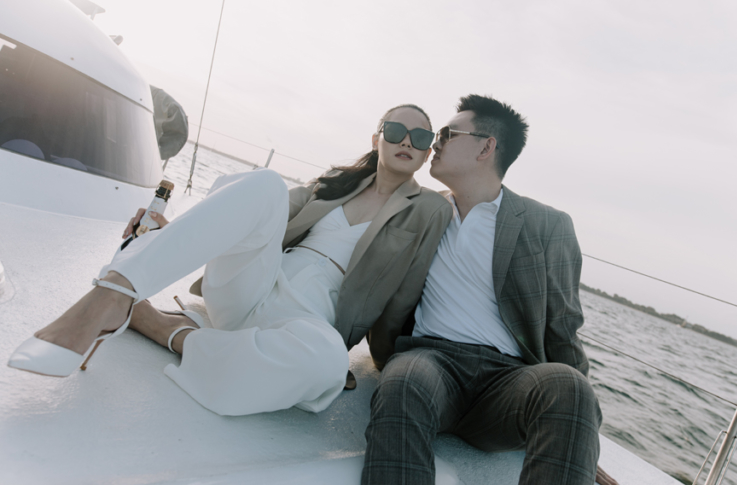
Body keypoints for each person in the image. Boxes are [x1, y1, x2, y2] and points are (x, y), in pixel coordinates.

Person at [8, 104, 453, 416]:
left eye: (420, 137)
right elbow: (250, 213)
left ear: (427, 150)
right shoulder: (336, 181)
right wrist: (168, 230)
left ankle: (163, 328)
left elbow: (405, 292)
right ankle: (113, 295)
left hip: (311, 318)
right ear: (377, 138)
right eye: (396, 130)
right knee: (266, 184)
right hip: (257, 282)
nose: (406, 141)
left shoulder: (430, 208)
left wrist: (381, 363)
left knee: (327, 364)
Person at [362, 95, 617, 485]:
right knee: (405, 377)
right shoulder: (421, 210)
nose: (436, 142)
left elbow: (563, 329)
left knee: (571, 387)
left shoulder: (549, 225)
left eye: (448, 134)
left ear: (486, 148)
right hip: (432, 364)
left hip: (509, 383)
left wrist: (579, 432)